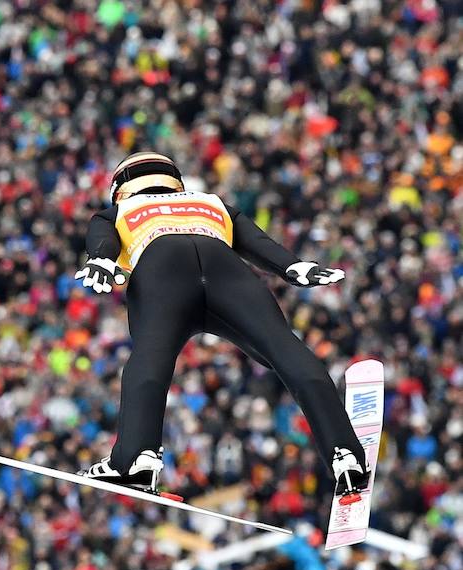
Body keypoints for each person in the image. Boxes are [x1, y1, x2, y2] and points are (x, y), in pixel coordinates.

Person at [75, 152, 369, 498]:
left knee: (150, 357)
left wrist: (100, 259)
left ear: (121, 189)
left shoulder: (118, 211)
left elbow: (105, 239)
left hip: (162, 269)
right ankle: (345, 453)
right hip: (225, 270)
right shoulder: (211, 202)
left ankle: (136, 458)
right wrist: (293, 267)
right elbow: (257, 243)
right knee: (284, 348)